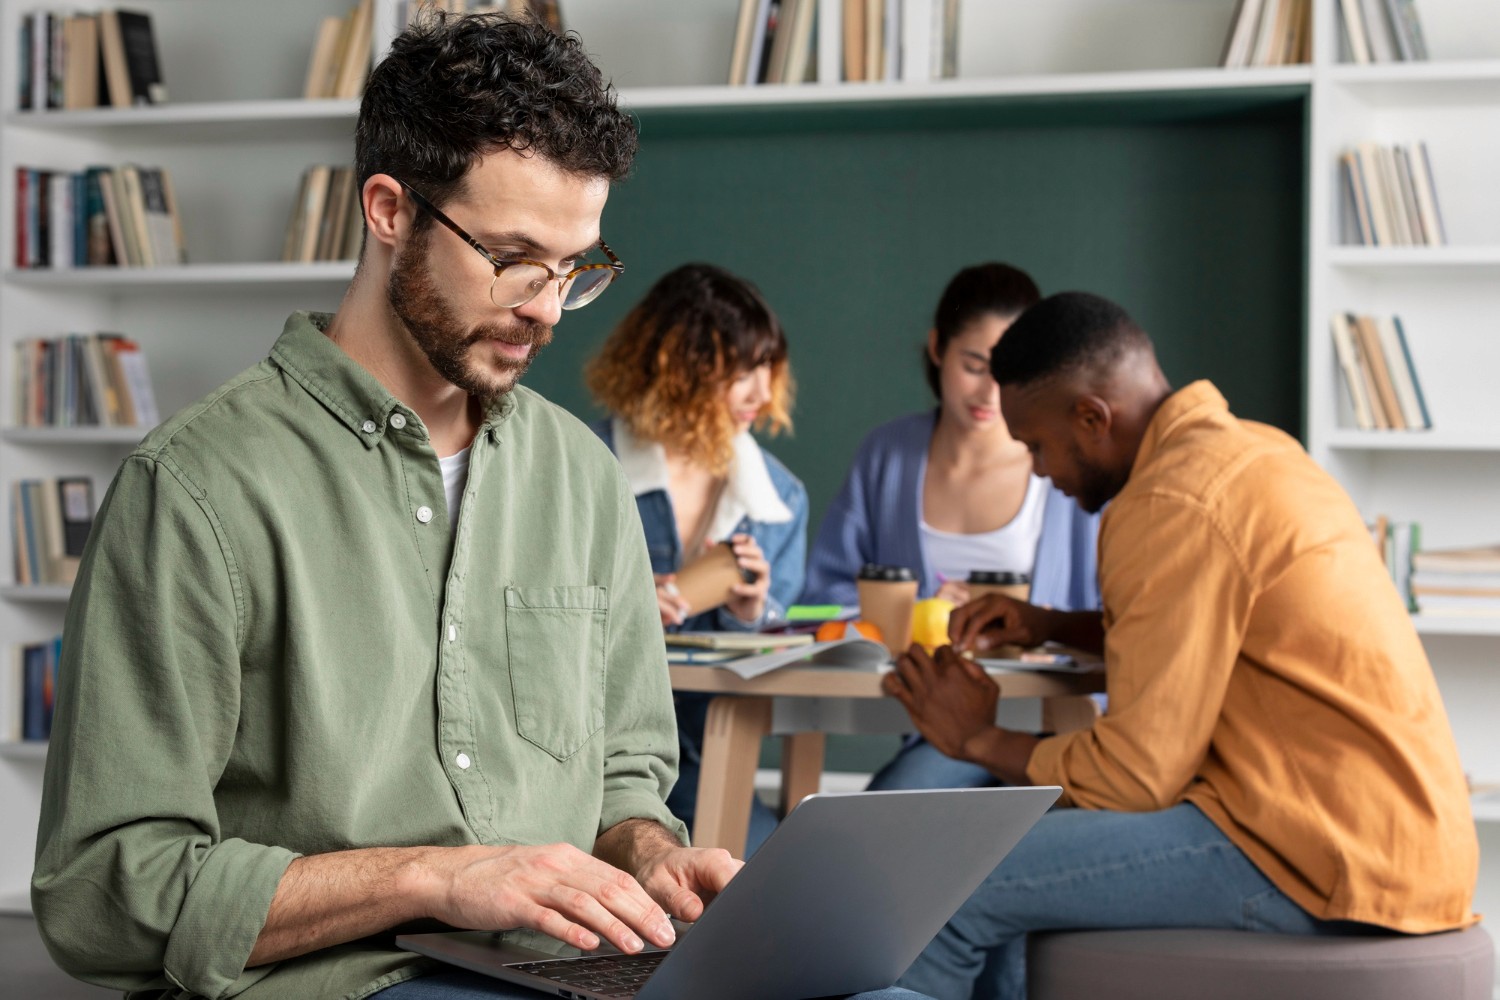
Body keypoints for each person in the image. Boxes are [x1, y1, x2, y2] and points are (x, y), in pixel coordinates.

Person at [29, 15, 925, 1000]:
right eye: (513, 257)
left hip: (566, 969)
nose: (546, 305)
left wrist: (649, 854)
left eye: (575, 267)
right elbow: (101, 892)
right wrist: (438, 876)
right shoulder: (195, 489)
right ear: (387, 211)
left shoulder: (581, 480)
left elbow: (626, 775)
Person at [884, 292, 1478, 1000]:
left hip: (1311, 855)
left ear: (1092, 418)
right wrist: (1051, 624)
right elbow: (1208, 630)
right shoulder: (1253, 451)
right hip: (1397, 844)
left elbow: (1131, 779)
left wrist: (978, 739)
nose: (1039, 471)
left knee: (942, 881)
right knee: (1004, 880)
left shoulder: (1167, 502)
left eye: (1037, 445)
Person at [801, 262, 1099, 791]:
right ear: (938, 348)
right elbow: (819, 603)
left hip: (1061, 729)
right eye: (974, 364)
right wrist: (912, 613)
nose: (989, 392)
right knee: (882, 823)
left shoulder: (1068, 467)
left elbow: (1108, 618)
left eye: (1008, 370)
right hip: (936, 730)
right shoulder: (887, 455)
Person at [585, 262, 808, 853]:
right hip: (588, 757)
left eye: (768, 368)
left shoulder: (779, 498)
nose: (761, 394)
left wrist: (752, 611)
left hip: (712, 763)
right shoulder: (584, 464)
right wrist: (622, 614)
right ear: (677, 367)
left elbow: (781, 652)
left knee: (758, 881)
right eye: (740, 371)